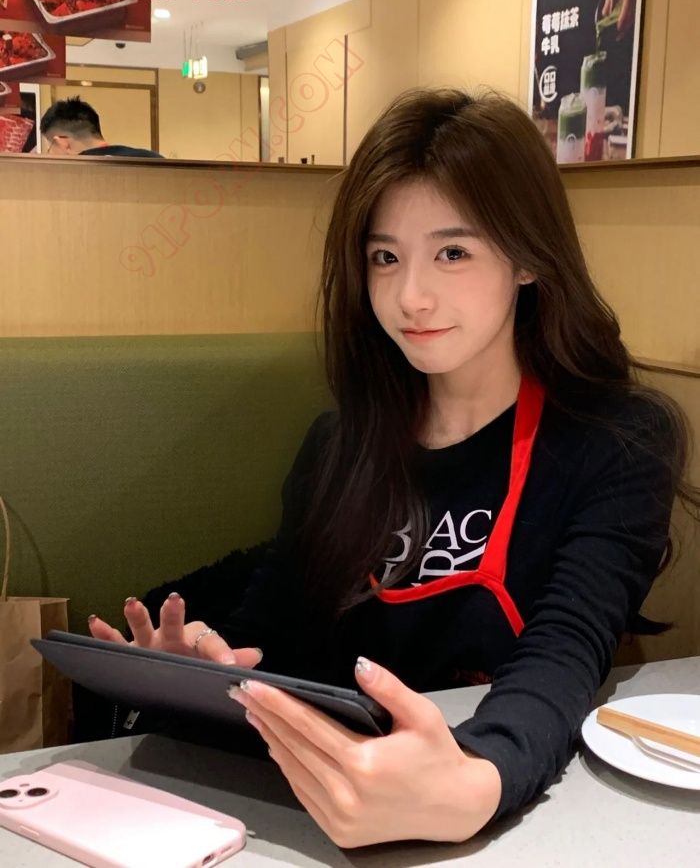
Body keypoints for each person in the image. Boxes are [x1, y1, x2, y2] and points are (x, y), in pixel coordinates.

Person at [89, 88, 699, 848]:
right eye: (385, 257)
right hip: (309, 809)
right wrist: (196, 675)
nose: (411, 297)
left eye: (453, 252)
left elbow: (565, 654)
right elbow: (270, 638)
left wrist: (478, 780)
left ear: (527, 258)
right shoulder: (340, 443)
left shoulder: (616, 441)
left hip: (497, 810)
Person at [40, 96, 164, 158]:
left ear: (62, 144)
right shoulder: (154, 160)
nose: (50, 155)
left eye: (50, 149)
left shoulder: (73, 178)